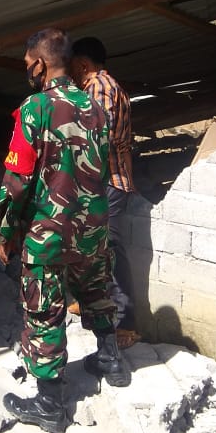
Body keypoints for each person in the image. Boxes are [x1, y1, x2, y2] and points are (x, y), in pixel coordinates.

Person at [0, 28, 130, 433]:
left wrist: (4, 232)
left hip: (49, 233)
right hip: (92, 227)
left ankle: (50, 403)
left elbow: (16, 180)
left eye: (27, 65)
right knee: (96, 291)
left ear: (38, 63)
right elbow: (102, 170)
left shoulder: (34, 109)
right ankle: (110, 360)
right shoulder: (96, 109)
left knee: (43, 310)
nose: (27, 72)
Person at [70, 37, 138, 343]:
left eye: (73, 66)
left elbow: (99, 137)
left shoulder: (98, 86)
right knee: (99, 249)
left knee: (110, 250)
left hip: (108, 182)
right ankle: (93, 304)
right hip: (111, 180)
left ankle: (125, 322)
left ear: (83, 64)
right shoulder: (110, 86)